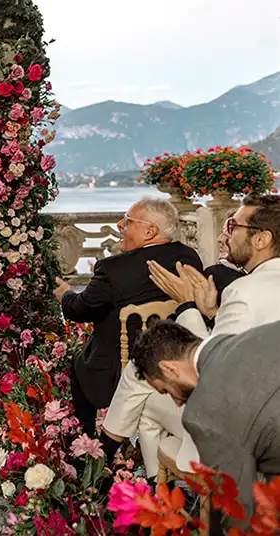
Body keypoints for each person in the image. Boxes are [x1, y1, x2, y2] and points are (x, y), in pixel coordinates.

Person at [105, 193, 280, 476]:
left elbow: (213, 370)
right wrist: (211, 312)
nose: (227, 234)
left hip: (247, 434)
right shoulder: (255, 286)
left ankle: (122, 467)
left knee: (145, 393)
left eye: (233, 225)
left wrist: (187, 305)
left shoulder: (245, 290)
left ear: (261, 239)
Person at [53, 197, 202, 446]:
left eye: (128, 221)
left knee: (78, 362)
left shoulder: (113, 269)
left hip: (116, 371)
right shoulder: (189, 258)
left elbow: (79, 310)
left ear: (150, 231)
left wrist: (66, 294)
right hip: (178, 366)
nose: (120, 226)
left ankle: (86, 444)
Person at [129, 319, 280, 533]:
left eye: (166, 391)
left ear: (169, 369)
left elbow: (237, 509)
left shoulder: (201, 413)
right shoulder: (258, 335)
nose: (177, 402)